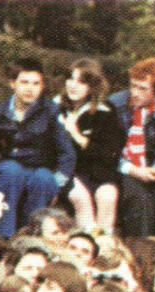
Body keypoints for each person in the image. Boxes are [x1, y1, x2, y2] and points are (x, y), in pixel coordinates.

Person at [0, 58, 76, 238]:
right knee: (11, 171)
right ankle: (2, 238)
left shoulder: (51, 111)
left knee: (43, 179)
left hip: (39, 170)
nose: (30, 88)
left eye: (36, 83)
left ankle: (31, 238)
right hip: (8, 170)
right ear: (13, 84)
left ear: (42, 86)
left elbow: (67, 154)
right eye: (24, 82)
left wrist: (58, 184)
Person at [108, 58, 155, 238]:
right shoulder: (115, 105)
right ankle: (140, 246)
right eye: (133, 86)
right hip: (119, 167)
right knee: (139, 197)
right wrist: (133, 170)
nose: (135, 93)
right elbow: (108, 150)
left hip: (147, 167)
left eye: (142, 88)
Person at [56, 58, 124, 234]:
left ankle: (104, 248)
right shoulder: (56, 108)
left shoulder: (105, 111)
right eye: (71, 79)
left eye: (81, 81)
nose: (73, 85)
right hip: (68, 171)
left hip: (98, 171)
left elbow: (109, 153)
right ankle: (85, 240)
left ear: (92, 86)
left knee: (108, 196)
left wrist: (77, 135)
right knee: (81, 198)